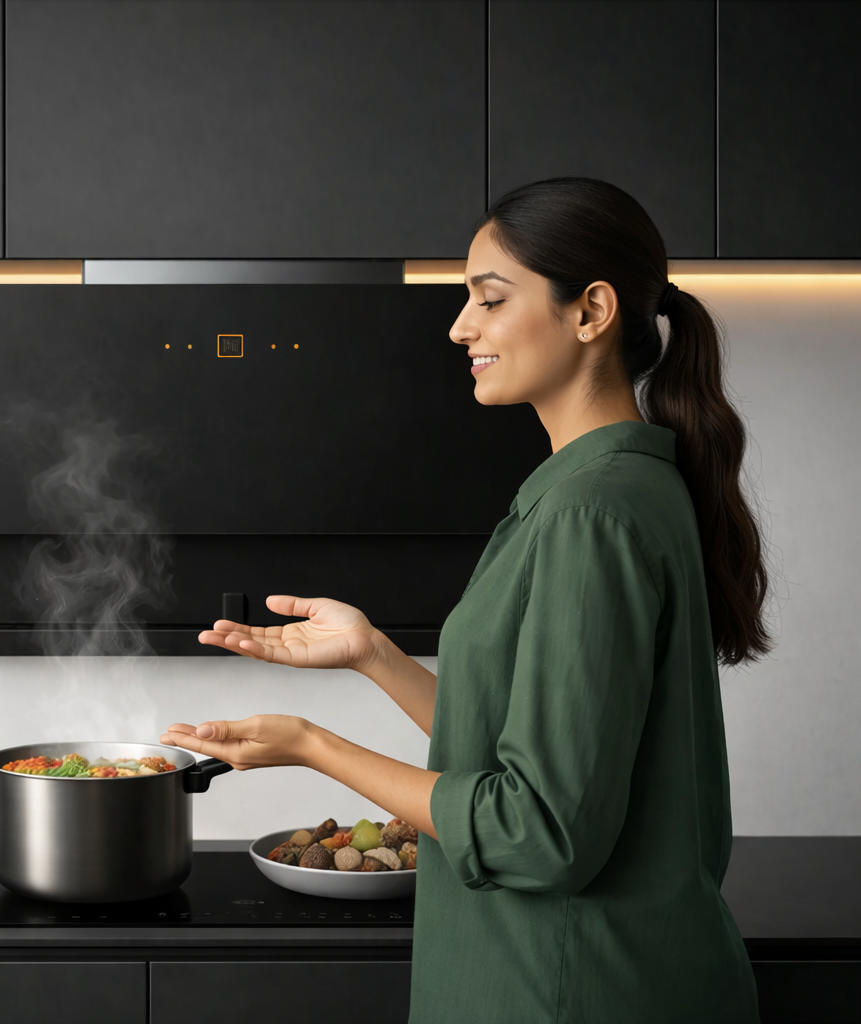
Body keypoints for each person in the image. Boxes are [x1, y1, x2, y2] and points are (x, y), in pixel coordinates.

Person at [160, 178, 768, 1023]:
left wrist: (310, 745)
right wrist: (374, 655)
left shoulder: (590, 512)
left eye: (490, 298)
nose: (459, 327)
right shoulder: (611, 488)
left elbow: (537, 833)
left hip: (570, 990)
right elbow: (530, 750)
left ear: (591, 311)